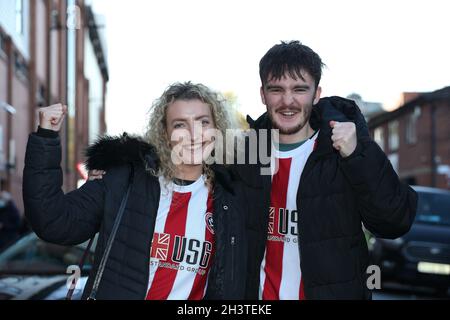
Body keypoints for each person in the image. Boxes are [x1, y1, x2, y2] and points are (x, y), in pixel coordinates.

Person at [23, 82, 247, 300]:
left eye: (203, 122)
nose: (193, 134)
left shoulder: (230, 197)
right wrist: (46, 139)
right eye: (180, 124)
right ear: (165, 133)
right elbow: (53, 223)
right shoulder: (125, 180)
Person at [233, 41, 418, 300]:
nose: (288, 101)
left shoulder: (344, 150)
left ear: (316, 94)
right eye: (277, 90)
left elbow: (395, 221)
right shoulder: (244, 155)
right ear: (263, 94)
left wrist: (358, 156)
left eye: (299, 89)